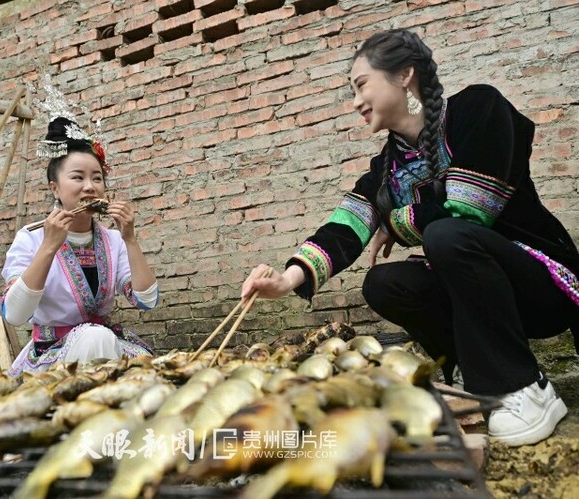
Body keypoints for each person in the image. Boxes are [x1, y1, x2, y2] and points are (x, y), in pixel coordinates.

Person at [241, 29, 578, 446]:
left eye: (361, 85)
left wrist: (395, 223)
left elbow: (471, 206)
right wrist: (286, 279)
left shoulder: (479, 109)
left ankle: (525, 387)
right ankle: (472, 379)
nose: (355, 102)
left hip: (542, 287)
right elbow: (345, 227)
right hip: (480, 301)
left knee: (447, 234)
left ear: (404, 75)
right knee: (384, 283)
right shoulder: (385, 169)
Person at [1, 109, 158, 376]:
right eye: (77, 177)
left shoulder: (113, 240)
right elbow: (14, 315)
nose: (90, 187)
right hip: (53, 358)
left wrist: (130, 239)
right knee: (94, 338)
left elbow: (146, 300)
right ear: (55, 188)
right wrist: (49, 246)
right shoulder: (31, 237)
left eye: (97, 178)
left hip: (105, 346)